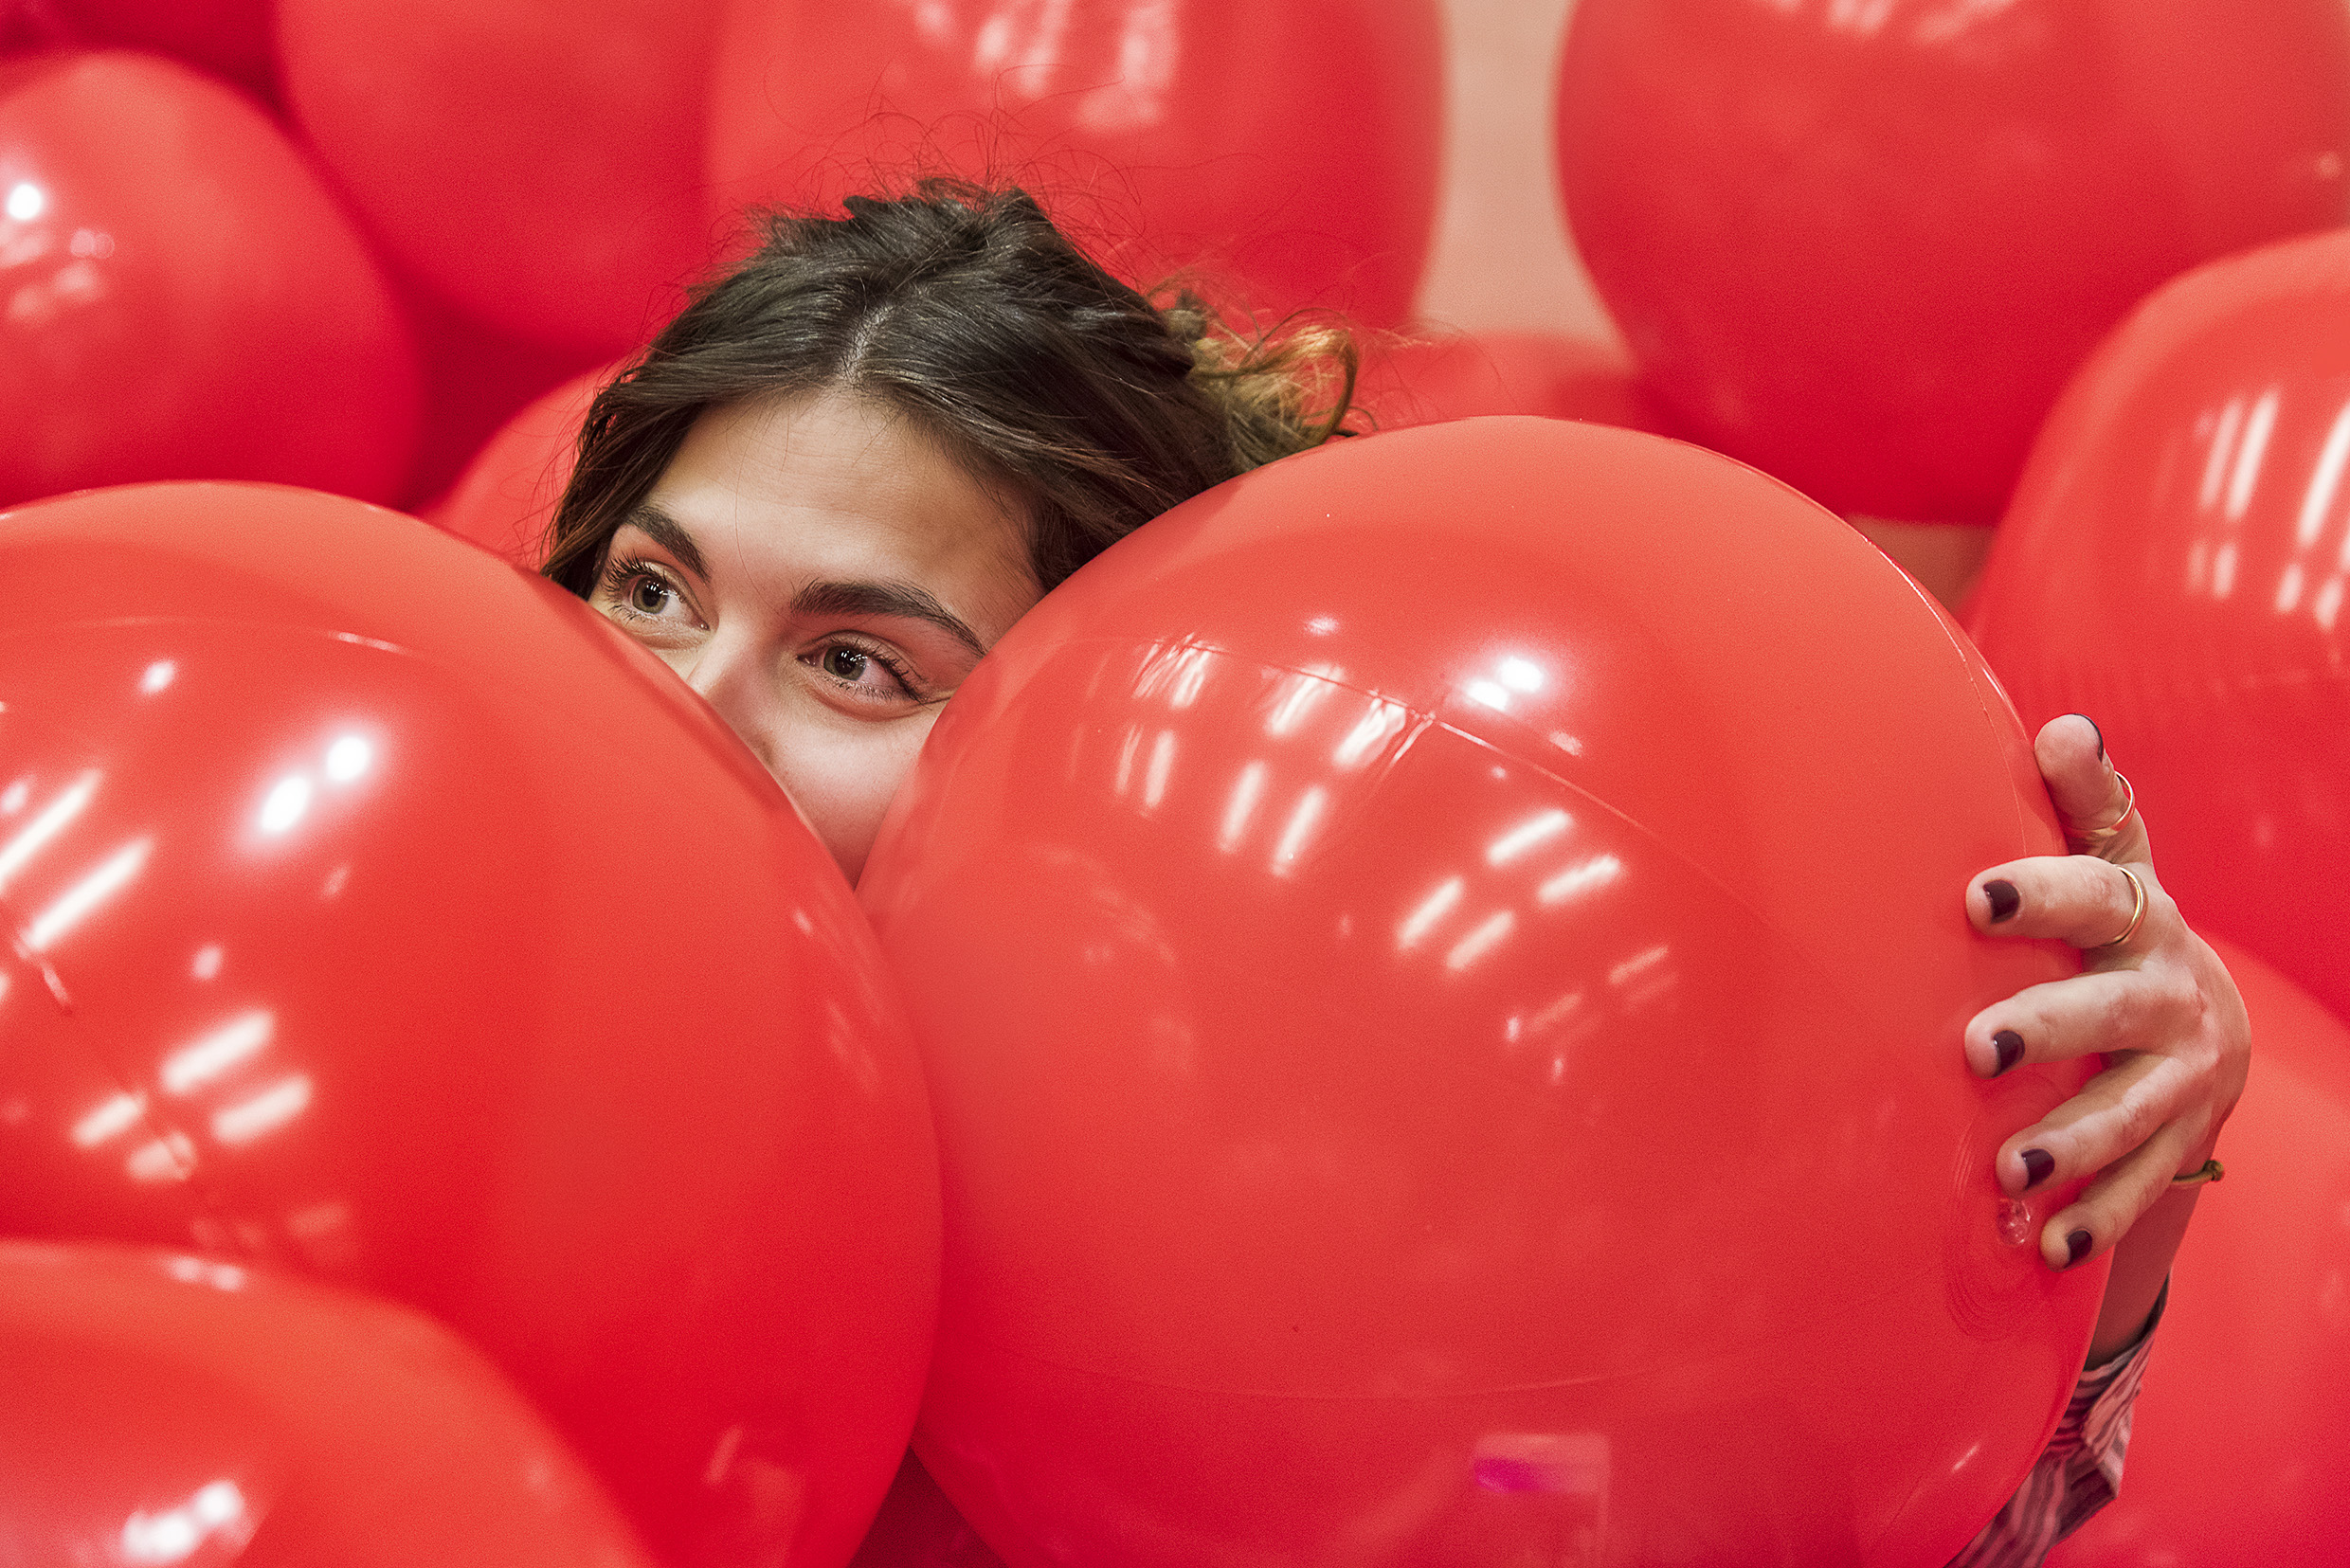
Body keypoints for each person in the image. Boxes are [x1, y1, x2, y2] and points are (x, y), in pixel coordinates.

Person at [540, 182, 2248, 1564]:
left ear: (1095, 769)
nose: (679, 713)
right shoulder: (435, 1056)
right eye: (652, 591)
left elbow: (1568, 1501)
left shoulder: (1270, 1256)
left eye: (858, 664)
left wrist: (2117, 1218)